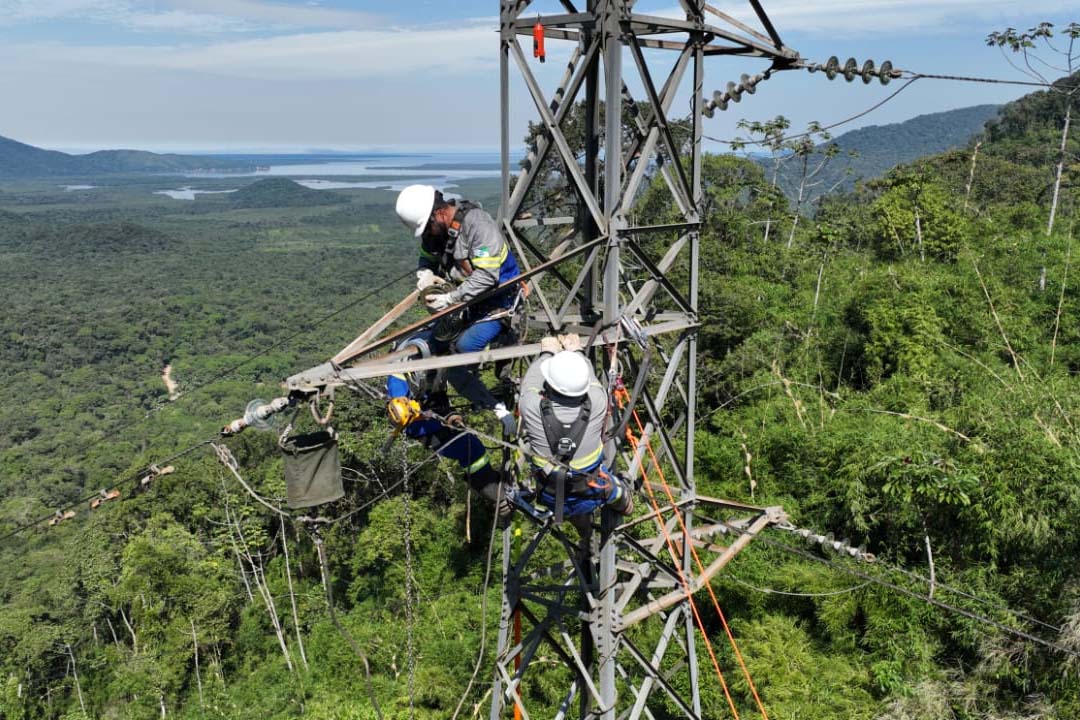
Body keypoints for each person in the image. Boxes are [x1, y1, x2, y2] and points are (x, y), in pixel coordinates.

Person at [394, 184, 521, 436]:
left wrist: (451, 297)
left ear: (439, 214)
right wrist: (426, 272)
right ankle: (437, 398)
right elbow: (427, 255)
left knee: (462, 351)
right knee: (432, 345)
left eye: (428, 227)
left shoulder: (478, 226)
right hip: (466, 303)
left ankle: (497, 408)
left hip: (498, 303)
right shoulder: (435, 232)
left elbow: (487, 277)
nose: (427, 233)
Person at [519, 334, 634, 526]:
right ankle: (622, 501)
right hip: (593, 491)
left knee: (572, 495)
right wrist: (577, 350)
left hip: (549, 494)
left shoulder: (530, 406)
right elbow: (589, 377)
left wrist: (547, 352)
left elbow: (530, 384)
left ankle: (583, 530)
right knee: (612, 488)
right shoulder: (598, 400)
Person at [385, 376, 514, 526]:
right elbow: (403, 413)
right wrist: (440, 415)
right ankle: (499, 497)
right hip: (433, 431)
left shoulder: (417, 370)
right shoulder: (398, 380)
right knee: (472, 450)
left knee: (473, 449)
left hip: (437, 422)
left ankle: (498, 491)